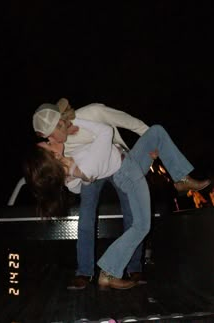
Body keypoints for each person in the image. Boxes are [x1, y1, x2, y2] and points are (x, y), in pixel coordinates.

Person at [24, 116, 211, 290]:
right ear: (54, 157)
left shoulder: (73, 160)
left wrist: (72, 170)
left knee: (156, 132)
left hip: (128, 161)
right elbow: (105, 132)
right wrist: (72, 121)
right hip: (126, 173)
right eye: (49, 143)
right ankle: (108, 271)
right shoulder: (83, 165)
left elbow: (77, 184)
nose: (52, 139)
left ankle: (180, 179)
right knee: (141, 225)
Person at [32, 99, 152, 289]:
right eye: (47, 139)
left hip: (116, 160)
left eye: (51, 135)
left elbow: (128, 122)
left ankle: (134, 267)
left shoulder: (92, 114)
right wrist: (71, 178)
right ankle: (84, 272)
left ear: (60, 123)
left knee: (132, 213)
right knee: (86, 216)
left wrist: (150, 139)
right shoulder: (56, 150)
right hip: (90, 169)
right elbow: (72, 179)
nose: (51, 141)